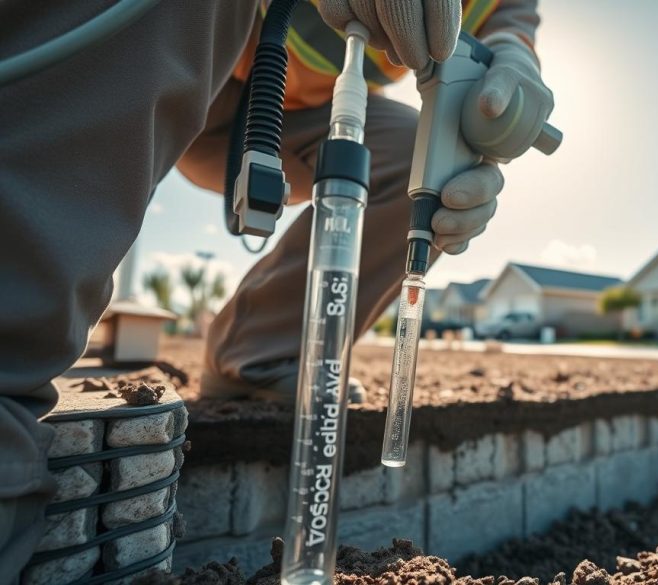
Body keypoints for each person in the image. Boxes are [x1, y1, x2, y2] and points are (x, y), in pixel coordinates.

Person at [0, 0, 553, 580]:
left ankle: (257, 357)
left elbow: (510, 30)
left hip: (295, 107)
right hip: (179, 45)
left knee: (408, 152)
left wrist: (505, 79)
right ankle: (10, 347)